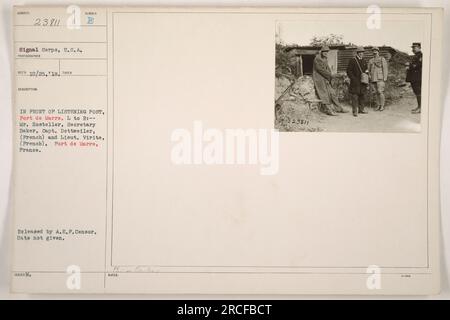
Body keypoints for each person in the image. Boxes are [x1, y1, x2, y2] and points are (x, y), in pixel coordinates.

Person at [312, 46, 347, 116]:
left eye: (327, 52)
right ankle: (328, 110)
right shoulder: (317, 59)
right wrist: (331, 75)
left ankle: (339, 108)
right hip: (319, 79)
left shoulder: (325, 59)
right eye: (324, 52)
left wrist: (330, 75)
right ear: (321, 52)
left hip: (326, 78)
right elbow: (321, 70)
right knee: (324, 94)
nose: (326, 53)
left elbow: (327, 69)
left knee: (333, 93)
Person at [346, 47, 369, 117]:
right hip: (355, 82)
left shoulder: (364, 61)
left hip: (363, 81)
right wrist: (353, 79)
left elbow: (366, 70)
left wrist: (366, 74)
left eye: (362, 53)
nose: (361, 54)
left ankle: (361, 109)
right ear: (357, 53)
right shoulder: (352, 60)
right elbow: (348, 71)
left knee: (362, 95)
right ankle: (355, 111)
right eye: (360, 53)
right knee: (355, 96)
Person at [368, 47, 388, 111]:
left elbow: (385, 69)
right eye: (373, 52)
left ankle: (382, 106)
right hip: (373, 78)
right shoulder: (371, 60)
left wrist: (385, 78)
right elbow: (368, 70)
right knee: (375, 92)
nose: (375, 53)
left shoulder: (382, 59)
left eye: (376, 51)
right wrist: (369, 75)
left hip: (380, 78)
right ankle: (377, 105)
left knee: (380, 91)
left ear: (378, 52)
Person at [406, 42, 422, 114]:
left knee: (418, 92)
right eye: (412, 47)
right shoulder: (416, 55)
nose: (413, 49)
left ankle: (420, 108)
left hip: (417, 77)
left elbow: (418, 65)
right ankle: (419, 107)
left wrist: (409, 65)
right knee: (417, 92)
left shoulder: (420, 55)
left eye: (414, 47)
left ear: (419, 47)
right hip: (414, 77)